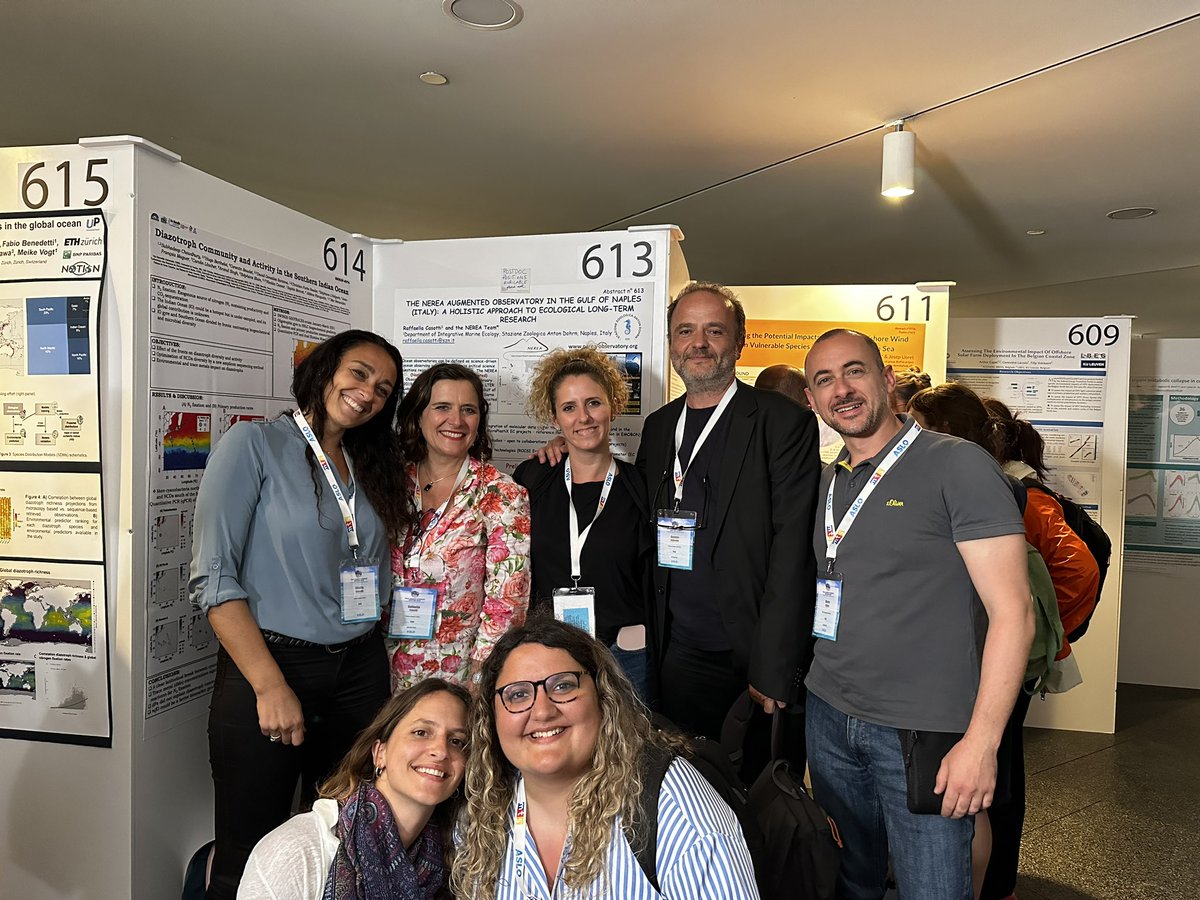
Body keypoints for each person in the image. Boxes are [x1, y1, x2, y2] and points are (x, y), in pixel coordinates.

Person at [801, 329, 1034, 900]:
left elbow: (1015, 614)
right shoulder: (829, 480)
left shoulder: (957, 465)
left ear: (887, 382)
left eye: (854, 371)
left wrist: (981, 743)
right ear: (811, 400)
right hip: (831, 714)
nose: (842, 390)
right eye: (824, 380)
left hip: (924, 731)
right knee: (853, 881)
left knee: (933, 888)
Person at [190, 329, 412, 899]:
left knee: (342, 842)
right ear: (324, 370)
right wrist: (269, 685)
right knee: (249, 851)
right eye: (359, 373)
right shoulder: (252, 445)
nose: (368, 393)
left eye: (384, 389)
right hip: (271, 666)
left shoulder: (370, 461)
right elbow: (214, 579)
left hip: (360, 673)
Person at [911, 384, 1099, 900]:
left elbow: (1078, 567)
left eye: (916, 422)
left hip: (992, 659)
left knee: (996, 773)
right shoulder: (950, 481)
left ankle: (995, 884)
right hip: (960, 656)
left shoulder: (1016, 494)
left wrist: (1039, 626)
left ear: (943, 430)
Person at [636, 282, 820, 774]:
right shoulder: (657, 428)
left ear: (739, 341)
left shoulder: (783, 423)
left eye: (714, 330)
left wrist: (774, 664)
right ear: (672, 344)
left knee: (757, 795)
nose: (699, 342)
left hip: (750, 658)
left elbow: (794, 549)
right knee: (685, 783)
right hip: (676, 651)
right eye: (686, 331)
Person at [451, 614, 760, 899]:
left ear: (604, 698)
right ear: (491, 718)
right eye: (518, 694)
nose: (543, 710)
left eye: (563, 686)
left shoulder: (673, 809)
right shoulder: (481, 814)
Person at [238, 678, 470, 899]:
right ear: (380, 753)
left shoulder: (455, 857)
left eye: (456, 741)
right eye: (421, 733)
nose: (440, 751)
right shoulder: (297, 851)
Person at [513, 346, 655, 699]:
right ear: (555, 417)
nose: (584, 417)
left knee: (629, 751)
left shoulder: (643, 487)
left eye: (593, 403)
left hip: (626, 654)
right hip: (550, 651)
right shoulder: (532, 479)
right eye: (569, 407)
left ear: (613, 405)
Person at [388, 363, 531, 691]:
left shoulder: (500, 492)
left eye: (468, 409)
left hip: (457, 673)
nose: (456, 420)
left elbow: (508, 601)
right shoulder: (390, 482)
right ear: (418, 414)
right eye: (442, 407)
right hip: (380, 665)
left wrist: (483, 675)